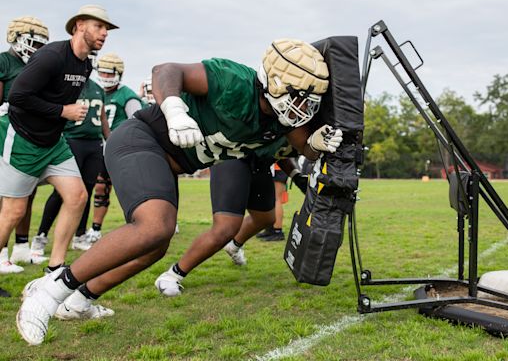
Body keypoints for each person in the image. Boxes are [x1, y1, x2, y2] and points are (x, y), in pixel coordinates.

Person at [16, 38, 342, 345]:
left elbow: (305, 146)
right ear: (274, 81)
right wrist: (173, 109)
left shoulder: (284, 121)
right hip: (142, 138)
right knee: (155, 225)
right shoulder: (235, 82)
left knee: (156, 244)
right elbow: (167, 70)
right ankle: (48, 291)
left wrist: (316, 145)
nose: (304, 107)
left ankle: (79, 300)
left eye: (310, 100)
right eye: (299, 96)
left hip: (169, 163)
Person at [0, 4, 117, 300]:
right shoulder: (51, 56)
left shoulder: (86, 64)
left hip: (54, 142)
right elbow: (17, 96)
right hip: (24, 140)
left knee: (78, 197)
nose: (104, 33)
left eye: (107, 29)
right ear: (79, 25)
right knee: (13, 211)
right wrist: (62, 110)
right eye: (98, 26)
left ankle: (54, 269)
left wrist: (60, 115)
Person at [155, 154, 307, 296]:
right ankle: (172, 275)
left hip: (260, 162)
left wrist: (295, 174)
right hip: (232, 154)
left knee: (265, 218)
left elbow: (282, 148)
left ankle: (234, 245)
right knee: (225, 228)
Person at [34, 51, 110, 254]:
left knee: (85, 191)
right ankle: (41, 235)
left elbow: (102, 119)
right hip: (71, 141)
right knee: (61, 192)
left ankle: (80, 235)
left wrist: (109, 141)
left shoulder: (97, 89)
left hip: (93, 145)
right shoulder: (68, 85)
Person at [0, 17, 50, 293]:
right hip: (5, 133)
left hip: (27, 138)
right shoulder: (4, 62)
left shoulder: (35, 67)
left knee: (26, 194)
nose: (37, 48)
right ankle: (2, 253)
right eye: (33, 42)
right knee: (7, 198)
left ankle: (21, 246)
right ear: (16, 37)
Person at [84, 52, 144, 246]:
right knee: (99, 188)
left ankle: (139, 224)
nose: (105, 77)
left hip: (119, 149)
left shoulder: (127, 95)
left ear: (118, 73)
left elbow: (137, 120)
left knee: (129, 189)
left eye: (110, 73)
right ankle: (94, 229)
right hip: (96, 147)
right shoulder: (94, 91)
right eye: (102, 72)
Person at [257, 162, 290, 241]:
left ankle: (277, 231)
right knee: (270, 198)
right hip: (273, 167)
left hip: (279, 168)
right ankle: (270, 229)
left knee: (276, 198)